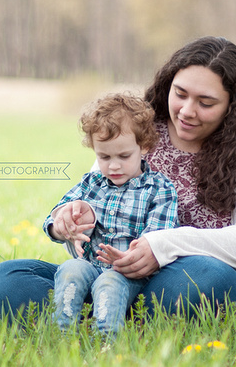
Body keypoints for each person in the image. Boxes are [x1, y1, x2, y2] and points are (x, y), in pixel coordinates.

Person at [0, 36, 236, 330]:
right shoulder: (134, 132)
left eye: (205, 102)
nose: (187, 110)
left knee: (208, 276)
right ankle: (117, 321)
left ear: (231, 106)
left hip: (189, 283)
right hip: (111, 277)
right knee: (6, 278)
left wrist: (162, 247)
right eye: (180, 94)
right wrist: (75, 225)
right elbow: (94, 220)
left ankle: (97, 322)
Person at [45, 93, 177, 336]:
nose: (113, 166)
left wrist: (129, 257)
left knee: (110, 282)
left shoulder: (160, 188)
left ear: (144, 147)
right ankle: (62, 334)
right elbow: (54, 219)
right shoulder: (91, 183)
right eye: (104, 157)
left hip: (133, 275)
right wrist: (61, 226)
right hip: (90, 266)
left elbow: (158, 238)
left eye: (124, 156)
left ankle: (106, 341)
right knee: (70, 269)